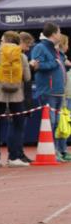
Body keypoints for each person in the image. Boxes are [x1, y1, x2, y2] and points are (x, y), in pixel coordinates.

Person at [0, 30, 32, 166]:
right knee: (17, 125)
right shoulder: (21, 56)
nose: (0, 42)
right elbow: (27, 77)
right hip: (16, 95)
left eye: (2, 40)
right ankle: (14, 157)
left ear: (6, 40)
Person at [30, 23, 67, 162]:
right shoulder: (40, 47)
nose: (60, 34)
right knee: (49, 122)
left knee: (56, 123)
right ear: (53, 34)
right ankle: (50, 151)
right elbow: (37, 65)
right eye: (59, 32)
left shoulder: (54, 49)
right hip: (48, 91)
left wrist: (60, 60)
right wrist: (55, 62)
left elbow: (59, 62)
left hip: (58, 91)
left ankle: (56, 150)